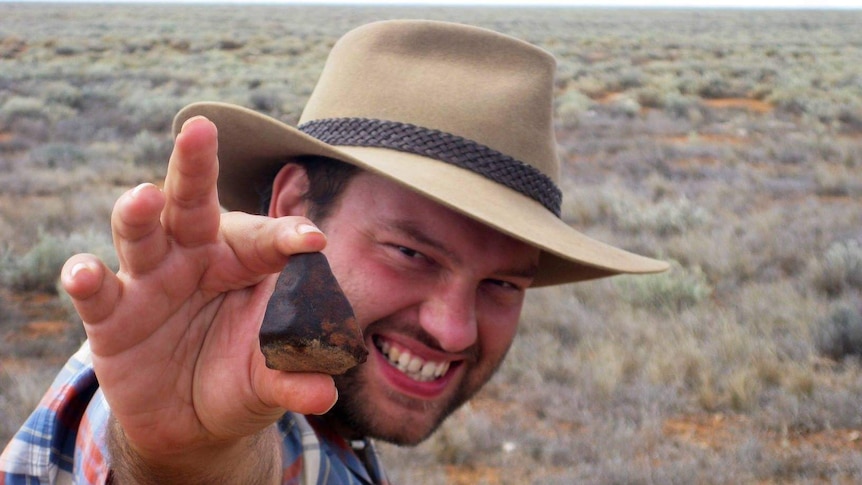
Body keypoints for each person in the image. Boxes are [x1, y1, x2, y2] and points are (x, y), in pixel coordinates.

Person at [1, 19, 667, 484]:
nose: (454, 327)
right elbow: (223, 460)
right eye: (411, 252)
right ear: (291, 208)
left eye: (503, 285)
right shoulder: (214, 383)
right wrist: (184, 454)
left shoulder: (329, 422)